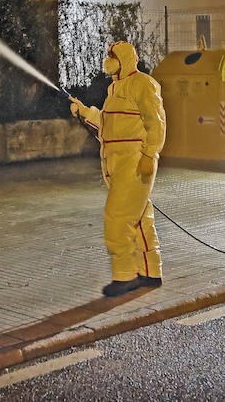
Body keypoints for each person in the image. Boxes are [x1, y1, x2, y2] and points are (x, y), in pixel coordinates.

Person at [69, 40, 167, 296]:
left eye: (111, 56)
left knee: (118, 217)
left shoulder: (142, 83)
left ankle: (124, 276)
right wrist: (84, 112)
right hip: (116, 162)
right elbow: (107, 126)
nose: (107, 61)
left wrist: (149, 154)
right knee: (139, 218)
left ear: (124, 59)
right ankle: (150, 272)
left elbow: (156, 123)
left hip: (134, 161)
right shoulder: (114, 89)